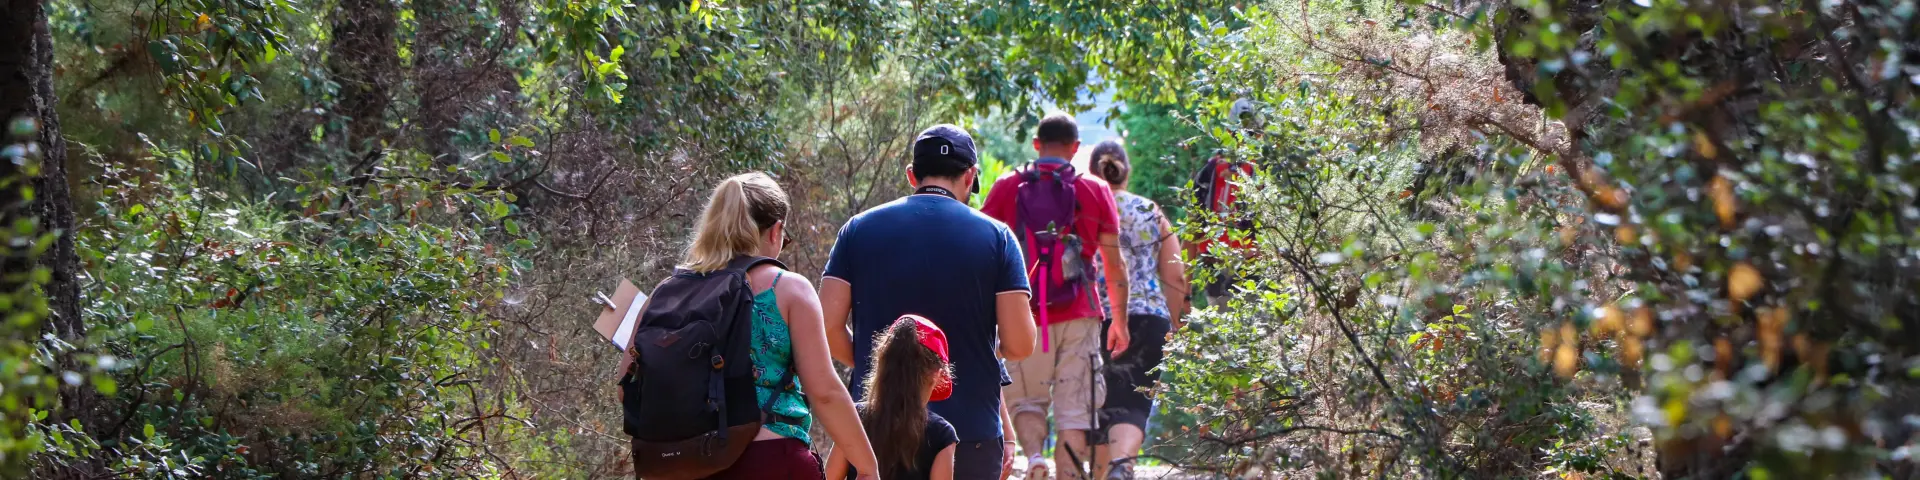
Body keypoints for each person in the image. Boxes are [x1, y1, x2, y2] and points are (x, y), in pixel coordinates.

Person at [627, 172, 883, 479]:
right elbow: (825, 392)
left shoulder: (667, 291)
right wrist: (867, 468)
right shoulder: (786, 288)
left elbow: (626, 386)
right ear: (775, 231)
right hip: (769, 458)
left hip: (679, 465)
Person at [821, 124, 1039, 480]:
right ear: (970, 177)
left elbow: (827, 326)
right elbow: (1018, 345)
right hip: (971, 432)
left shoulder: (857, 230)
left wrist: (886, 367)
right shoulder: (997, 237)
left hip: (874, 435)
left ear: (911, 175)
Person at [980, 113, 1131, 480]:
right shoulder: (1095, 190)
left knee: (1027, 401)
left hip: (1023, 313)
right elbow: (1114, 264)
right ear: (1075, 148)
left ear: (1036, 144)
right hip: (1080, 314)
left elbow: (983, 253)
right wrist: (1120, 323)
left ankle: (1033, 457)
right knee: (1075, 413)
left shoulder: (1007, 186)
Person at [1083, 140, 1191, 480]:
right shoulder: (1151, 211)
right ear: (1126, 172)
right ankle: (1122, 467)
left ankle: (1104, 472)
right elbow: (1175, 275)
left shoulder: (1083, 212)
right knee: (1133, 404)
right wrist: (1178, 323)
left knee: (1099, 406)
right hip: (1149, 321)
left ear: (1092, 172)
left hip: (1095, 319)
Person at [827, 315, 962, 480]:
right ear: (937, 375)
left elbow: (830, 477)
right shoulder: (942, 435)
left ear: (883, 365)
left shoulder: (854, 418)